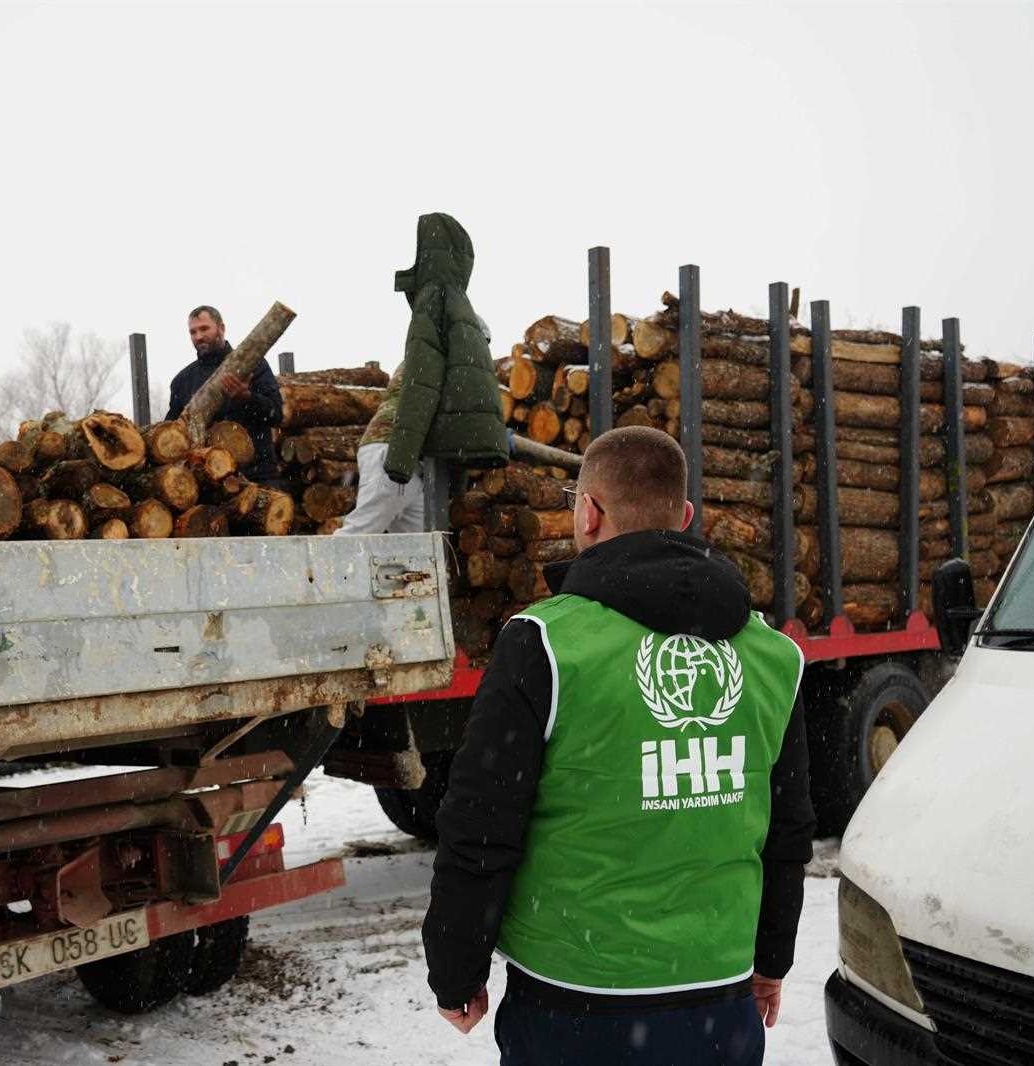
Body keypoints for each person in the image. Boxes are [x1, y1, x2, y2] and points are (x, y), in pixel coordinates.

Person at [422, 426, 815, 1066]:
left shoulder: (545, 644)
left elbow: (481, 824)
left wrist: (457, 968)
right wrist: (770, 959)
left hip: (573, 1005)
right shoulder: (773, 656)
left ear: (587, 513)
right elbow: (787, 827)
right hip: (716, 1001)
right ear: (685, 518)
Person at [335, 212, 508, 535]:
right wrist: (398, 462)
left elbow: (447, 425)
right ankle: (314, 581)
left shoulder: (444, 353)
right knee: (358, 534)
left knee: (421, 548)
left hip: (407, 459)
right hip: (392, 450)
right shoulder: (437, 351)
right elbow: (420, 399)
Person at [166, 305, 283, 481]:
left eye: (205, 329)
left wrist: (248, 398)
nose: (198, 336)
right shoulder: (182, 381)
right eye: (193, 332)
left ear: (221, 328)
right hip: (208, 483)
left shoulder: (254, 365)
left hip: (257, 477)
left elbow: (276, 414)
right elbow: (173, 432)